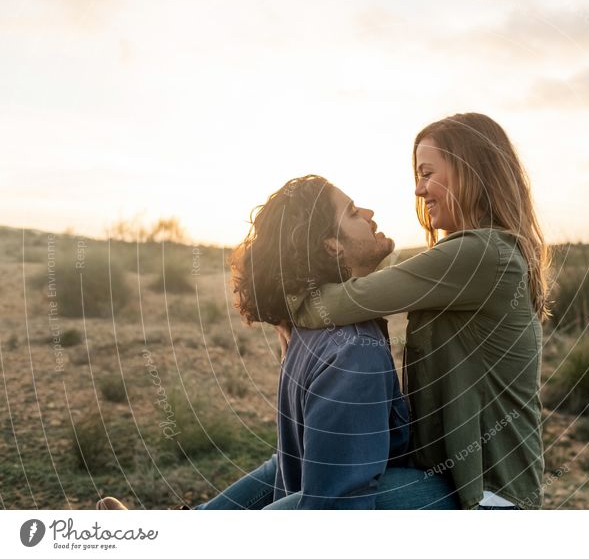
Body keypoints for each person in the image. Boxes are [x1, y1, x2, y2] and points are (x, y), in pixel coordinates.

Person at [97, 175, 458, 510]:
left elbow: (289, 468)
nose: (369, 213)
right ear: (331, 246)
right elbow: (335, 511)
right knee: (445, 491)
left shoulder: (308, 329)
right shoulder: (351, 350)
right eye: (352, 212)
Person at [286, 112, 551, 510]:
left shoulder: (480, 255)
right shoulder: (459, 256)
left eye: (428, 174)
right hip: (444, 478)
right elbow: (378, 277)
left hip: (491, 495)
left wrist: (283, 299)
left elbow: (345, 301)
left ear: (471, 172)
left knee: (310, 507)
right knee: (299, 475)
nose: (418, 190)